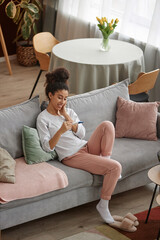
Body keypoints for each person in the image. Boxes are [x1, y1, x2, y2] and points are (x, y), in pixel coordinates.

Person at [36, 67, 122, 224]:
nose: (62, 102)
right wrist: (61, 131)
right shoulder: (43, 119)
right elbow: (47, 147)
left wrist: (67, 117)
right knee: (116, 167)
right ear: (50, 95)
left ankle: (105, 162)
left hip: (86, 146)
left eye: (65, 98)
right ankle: (103, 205)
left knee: (107, 125)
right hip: (72, 156)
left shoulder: (69, 111)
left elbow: (81, 133)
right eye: (59, 98)